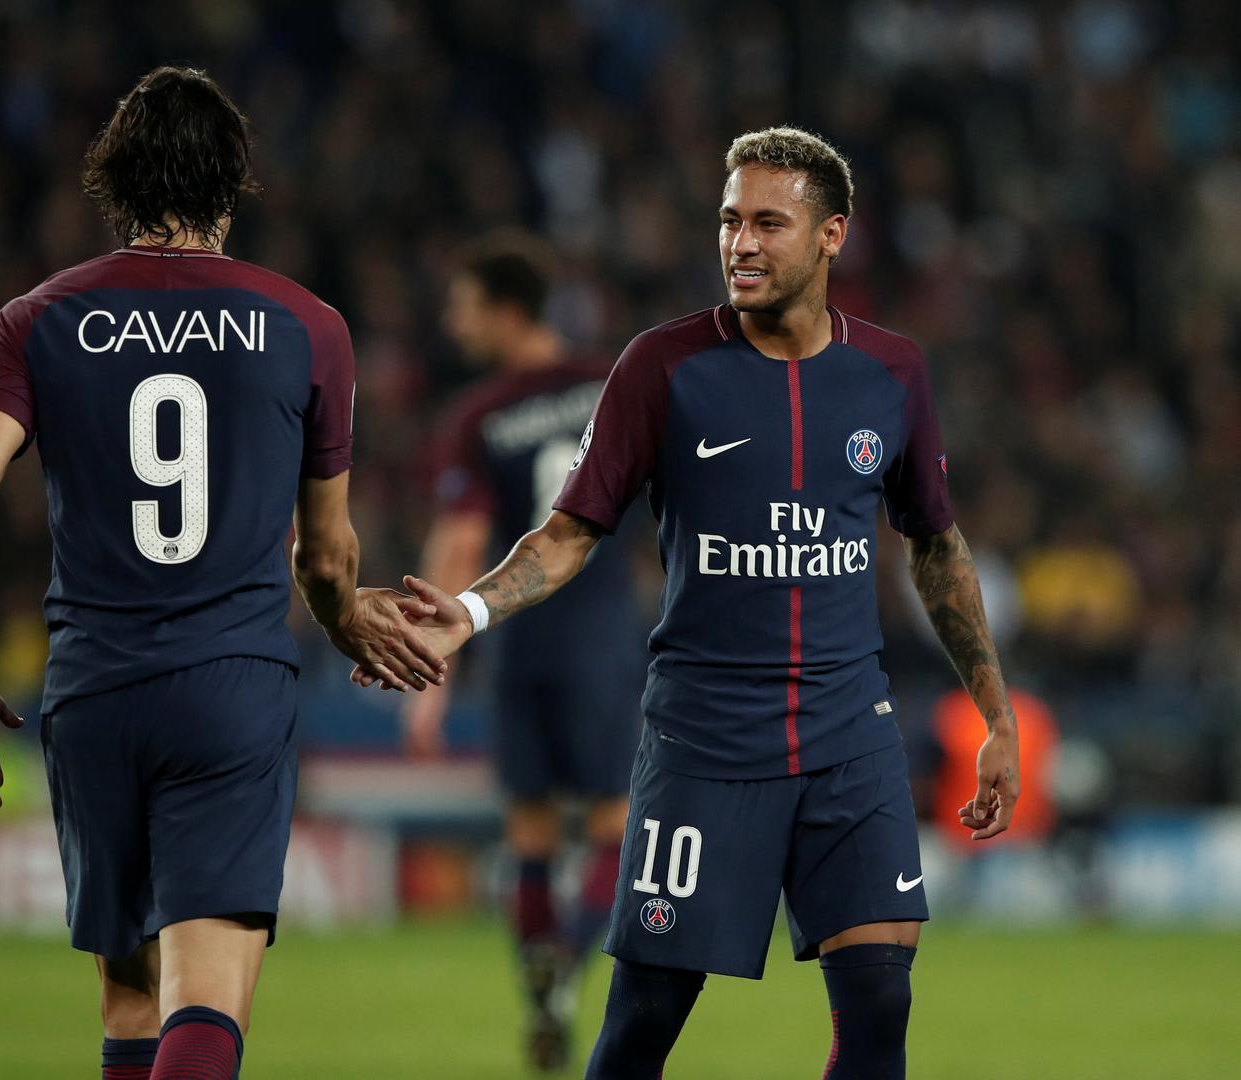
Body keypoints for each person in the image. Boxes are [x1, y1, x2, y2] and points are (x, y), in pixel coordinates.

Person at [357, 127, 1020, 1079]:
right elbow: (567, 533)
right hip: (704, 739)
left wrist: (995, 714)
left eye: (767, 223)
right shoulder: (661, 367)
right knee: (641, 1024)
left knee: (879, 1004)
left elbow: (936, 547)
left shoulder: (892, 373)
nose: (739, 243)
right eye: (728, 220)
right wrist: (470, 611)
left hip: (849, 733)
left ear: (831, 235)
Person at [0, 67, 445, 1080]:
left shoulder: (36, 319)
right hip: (228, 689)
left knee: (129, 999)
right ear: (234, 181)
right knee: (206, 997)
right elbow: (325, 554)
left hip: (92, 689)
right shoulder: (308, 324)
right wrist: (346, 618)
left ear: (112, 179)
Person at [404, 233, 645, 1070]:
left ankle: (541, 983)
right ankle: (569, 962)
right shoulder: (609, 389)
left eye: (464, 307)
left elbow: (461, 539)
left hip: (515, 644)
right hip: (602, 635)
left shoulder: (478, 416)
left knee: (531, 833)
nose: (453, 323)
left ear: (506, 311)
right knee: (614, 826)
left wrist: (428, 670)